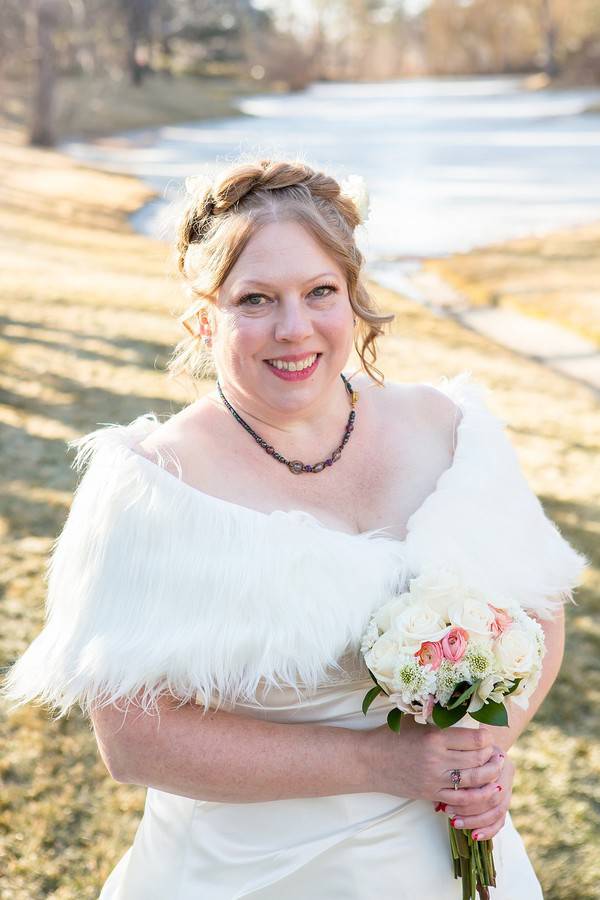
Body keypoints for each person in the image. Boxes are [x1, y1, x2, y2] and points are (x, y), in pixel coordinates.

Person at [2, 159, 587, 899]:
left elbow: (540, 610)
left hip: (451, 855)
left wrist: (473, 759)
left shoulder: (450, 431)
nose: (294, 328)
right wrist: (390, 765)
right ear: (204, 315)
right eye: (256, 299)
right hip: (248, 874)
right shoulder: (154, 486)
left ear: (354, 296)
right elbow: (133, 741)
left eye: (320, 292)